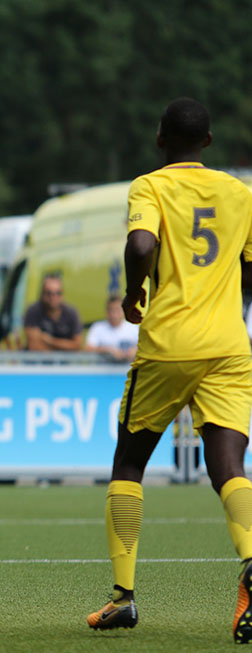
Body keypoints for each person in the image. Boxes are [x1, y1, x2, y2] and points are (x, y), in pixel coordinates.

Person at [84, 98, 252, 643]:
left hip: (168, 344)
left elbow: (140, 243)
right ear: (208, 141)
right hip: (229, 345)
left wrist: (136, 291)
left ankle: (123, 598)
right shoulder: (240, 194)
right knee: (228, 463)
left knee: (129, 463)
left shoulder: (150, 186)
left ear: (161, 139)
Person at [23, 275, 83, 351]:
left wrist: (49, 341)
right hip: (37, 362)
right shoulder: (33, 311)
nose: (53, 297)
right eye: (49, 293)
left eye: (58, 293)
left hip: (64, 362)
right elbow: (34, 347)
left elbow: (77, 346)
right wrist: (65, 346)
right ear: (42, 294)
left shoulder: (71, 313)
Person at [85, 295, 139, 362]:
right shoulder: (98, 327)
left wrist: (135, 350)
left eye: (117, 310)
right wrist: (107, 350)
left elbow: (145, 347)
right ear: (106, 311)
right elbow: (88, 348)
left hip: (128, 369)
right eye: (111, 310)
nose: (114, 314)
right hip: (104, 369)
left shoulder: (133, 328)